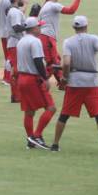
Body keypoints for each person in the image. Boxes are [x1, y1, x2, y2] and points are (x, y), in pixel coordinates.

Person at [52, 16, 98, 154]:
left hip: (74, 84)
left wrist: (65, 78)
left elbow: (66, 63)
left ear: (74, 28)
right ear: (86, 26)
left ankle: (55, 145)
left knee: (64, 115)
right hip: (92, 84)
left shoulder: (68, 42)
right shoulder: (94, 38)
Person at [16, 17, 56, 150]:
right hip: (33, 79)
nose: (40, 28)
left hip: (22, 79)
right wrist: (45, 78)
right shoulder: (35, 41)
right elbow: (38, 61)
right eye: (39, 26)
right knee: (51, 108)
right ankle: (36, 136)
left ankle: (30, 140)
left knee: (29, 112)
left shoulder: (21, 41)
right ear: (33, 28)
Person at [38, 0, 82, 85]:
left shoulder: (45, 6)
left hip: (45, 37)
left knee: (55, 60)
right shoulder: (53, 5)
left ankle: (61, 82)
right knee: (53, 63)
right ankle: (41, 82)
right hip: (47, 37)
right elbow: (71, 10)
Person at [6, 0, 26, 103]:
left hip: (16, 43)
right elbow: (16, 27)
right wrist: (29, 26)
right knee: (16, 70)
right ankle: (16, 96)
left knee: (17, 70)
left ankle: (17, 95)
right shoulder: (14, 12)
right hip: (15, 43)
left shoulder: (15, 11)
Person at [0, 0, 15, 86]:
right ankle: (7, 78)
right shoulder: (8, 2)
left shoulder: (0, 1)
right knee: (10, 56)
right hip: (8, 32)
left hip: (2, 31)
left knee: (7, 56)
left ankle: (6, 77)